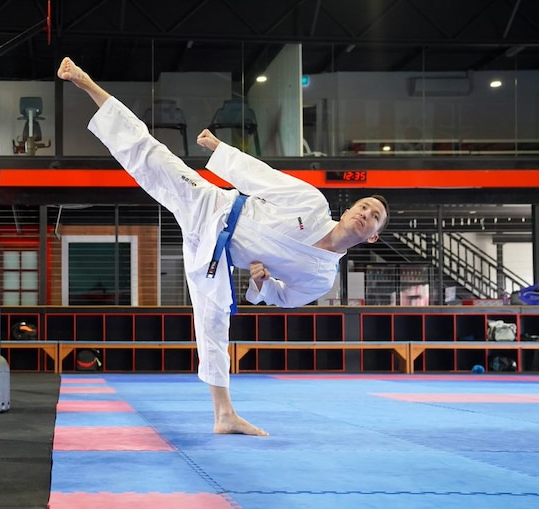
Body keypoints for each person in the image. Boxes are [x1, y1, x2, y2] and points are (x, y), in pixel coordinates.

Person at [57, 57, 388, 436]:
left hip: (216, 256)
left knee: (213, 322)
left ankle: (224, 414)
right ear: (348, 209)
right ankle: (86, 83)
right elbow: (264, 178)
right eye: (363, 206)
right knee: (152, 156)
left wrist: (262, 285)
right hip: (213, 207)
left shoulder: (321, 277)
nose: (365, 213)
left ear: (373, 235)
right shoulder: (312, 203)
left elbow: (283, 298)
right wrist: (220, 152)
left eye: (374, 215)